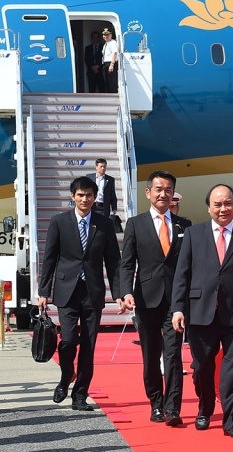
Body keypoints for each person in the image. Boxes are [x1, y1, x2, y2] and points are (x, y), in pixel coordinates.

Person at [171, 184, 233, 438]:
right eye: (218, 204)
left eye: (228, 203)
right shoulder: (193, 234)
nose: (223, 209)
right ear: (209, 207)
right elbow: (182, 275)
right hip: (201, 312)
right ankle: (205, 408)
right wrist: (178, 309)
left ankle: (231, 419)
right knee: (201, 367)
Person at [38, 176, 121, 411]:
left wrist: (119, 293)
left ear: (95, 198)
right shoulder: (59, 222)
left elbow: (113, 260)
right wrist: (44, 291)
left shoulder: (104, 224)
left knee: (89, 344)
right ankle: (66, 377)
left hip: (92, 292)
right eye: (81, 195)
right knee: (69, 340)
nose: (85, 199)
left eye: (89, 195)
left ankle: (80, 395)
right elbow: (50, 258)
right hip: (66, 290)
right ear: (73, 196)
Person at [116, 170, 191, 425]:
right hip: (146, 299)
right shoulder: (135, 224)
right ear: (148, 193)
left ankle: (173, 408)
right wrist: (125, 291)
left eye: (168, 189)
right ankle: (156, 403)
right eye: (158, 189)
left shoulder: (184, 225)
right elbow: (126, 264)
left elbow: (189, 265)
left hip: (176, 301)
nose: (163, 194)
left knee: (173, 354)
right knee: (151, 354)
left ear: (173, 194)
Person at [100, 28, 119, 93]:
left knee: (111, 82)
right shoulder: (106, 44)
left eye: (107, 35)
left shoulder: (113, 43)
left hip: (110, 63)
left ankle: (113, 95)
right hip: (106, 64)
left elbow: (115, 53)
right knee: (107, 81)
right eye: (104, 35)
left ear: (111, 35)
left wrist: (112, 65)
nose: (105, 36)